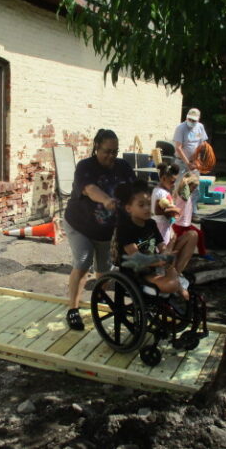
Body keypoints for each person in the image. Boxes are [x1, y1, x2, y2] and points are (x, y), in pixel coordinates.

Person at [63, 129, 136, 330]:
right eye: (107, 151)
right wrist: (106, 199)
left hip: (106, 230)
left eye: (115, 151)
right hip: (80, 225)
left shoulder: (123, 167)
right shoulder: (85, 166)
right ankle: (73, 309)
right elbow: (89, 189)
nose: (111, 156)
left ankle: (100, 300)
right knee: (84, 261)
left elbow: (136, 189)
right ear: (96, 147)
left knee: (104, 271)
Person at [114, 180, 189, 300]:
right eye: (141, 205)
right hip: (135, 273)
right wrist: (159, 261)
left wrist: (166, 253)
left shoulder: (151, 223)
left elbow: (161, 245)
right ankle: (177, 286)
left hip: (152, 269)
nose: (147, 208)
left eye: (149, 204)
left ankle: (178, 287)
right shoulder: (125, 228)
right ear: (129, 208)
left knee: (172, 269)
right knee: (172, 284)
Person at [151, 162, 197, 274]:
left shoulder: (162, 190)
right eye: (172, 182)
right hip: (161, 230)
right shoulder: (161, 192)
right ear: (163, 178)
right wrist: (175, 210)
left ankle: (174, 273)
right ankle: (170, 274)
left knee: (191, 236)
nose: (173, 184)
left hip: (165, 228)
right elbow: (158, 210)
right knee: (168, 250)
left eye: (174, 182)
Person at [172, 172, 214, 261]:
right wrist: (186, 182)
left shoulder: (187, 193)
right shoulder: (183, 194)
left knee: (199, 233)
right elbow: (185, 194)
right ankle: (172, 256)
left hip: (185, 224)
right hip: (180, 225)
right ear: (187, 185)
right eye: (193, 187)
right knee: (175, 242)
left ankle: (203, 253)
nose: (194, 189)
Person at [173, 108, 210, 208]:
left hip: (194, 162)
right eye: (190, 119)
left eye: (194, 120)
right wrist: (187, 163)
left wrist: (195, 159)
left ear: (198, 119)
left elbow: (202, 143)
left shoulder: (200, 127)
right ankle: (178, 211)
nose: (192, 122)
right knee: (180, 187)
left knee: (194, 187)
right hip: (181, 162)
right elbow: (178, 148)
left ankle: (192, 212)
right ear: (187, 117)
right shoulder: (181, 128)